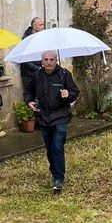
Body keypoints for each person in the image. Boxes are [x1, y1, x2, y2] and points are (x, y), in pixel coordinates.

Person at [25, 50, 80, 192]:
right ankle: (54, 170)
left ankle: (58, 178)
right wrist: (29, 102)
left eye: (52, 60)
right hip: (43, 117)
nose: (49, 62)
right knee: (50, 148)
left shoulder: (64, 74)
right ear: (42, 61)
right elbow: (28, 91)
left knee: (57, 146)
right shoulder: (37, 75)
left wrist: (68, 94)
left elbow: (75, 92)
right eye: (46, 60)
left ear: (56, 61)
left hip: (61, 116)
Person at [19, 17, 45, 92]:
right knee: (31, 97)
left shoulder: (41, 37)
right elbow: (24, 59)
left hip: (40, 71)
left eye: (42, 24)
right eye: (40, 25)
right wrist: (36, 68)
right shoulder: (26, 39)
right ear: (34, 26)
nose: (43, 27)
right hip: (29, 74)